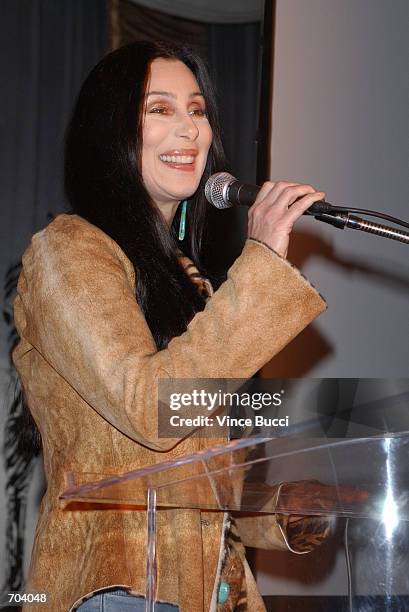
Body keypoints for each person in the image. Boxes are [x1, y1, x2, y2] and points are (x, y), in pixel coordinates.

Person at [13, 41, 329, 612]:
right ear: (110, 130)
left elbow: (186, 470)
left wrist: (285, 509)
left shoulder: (189, 280)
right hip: (119, 588)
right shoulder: (67, 251)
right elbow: (150, 409)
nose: (189, 129)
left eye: (198, 110)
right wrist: (260, 262)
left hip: (205, 587)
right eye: (160, 109)